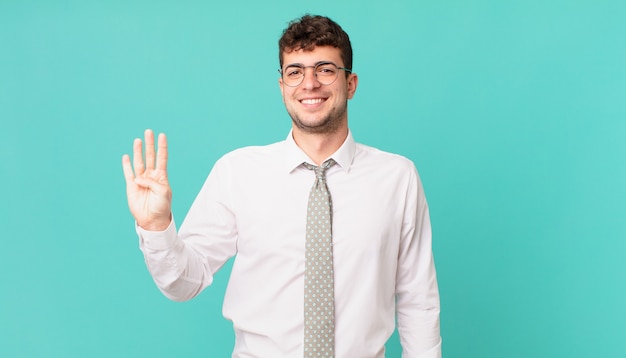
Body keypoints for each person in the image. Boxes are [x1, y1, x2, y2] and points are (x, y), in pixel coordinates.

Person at [122, 14, 441, 358]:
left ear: (351, 84)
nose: (310, 84)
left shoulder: (397, 178)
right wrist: (156, 227)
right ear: (282, 87)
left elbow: (417, 302)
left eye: (325, 69)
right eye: (295, 72)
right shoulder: (237, 172)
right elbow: (184, 282)